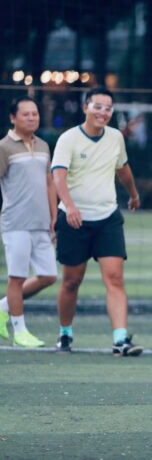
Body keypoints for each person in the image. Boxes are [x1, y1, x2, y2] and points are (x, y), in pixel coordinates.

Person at [51, 87, 143, 356]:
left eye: (108, 108)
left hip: (107, 218)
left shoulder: (115, 138)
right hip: (75, 220)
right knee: (71, 281)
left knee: (115, 279)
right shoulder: (68, 139)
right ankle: (65, 333)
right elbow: (58, 177)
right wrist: (70, 207)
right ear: (86, 108)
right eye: (98, 107)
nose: (103, 112)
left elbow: (123, 169)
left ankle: (120, 339)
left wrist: (134, 195)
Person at [0, 97, 58, 347]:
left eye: (35, 113)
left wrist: (54, 216)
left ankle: (3, 307)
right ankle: (20, 331)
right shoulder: (4, 147)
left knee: (49, 275)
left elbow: (49, 182)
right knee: (17, 277)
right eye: (26, 114)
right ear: (13, 118)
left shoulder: (43, 145)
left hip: (41, 223)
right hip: (16, 223)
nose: (32, 117)